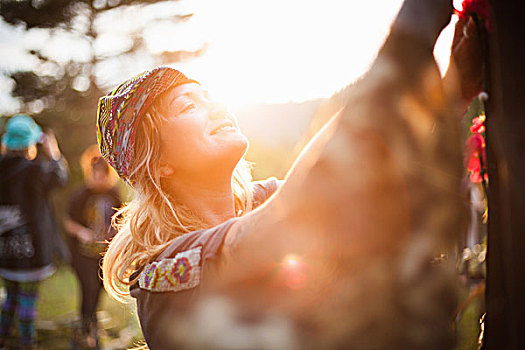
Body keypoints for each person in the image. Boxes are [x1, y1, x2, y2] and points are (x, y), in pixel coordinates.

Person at [97, 0, 482, 348]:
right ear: (159, 163)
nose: (218, 109)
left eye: (212, 97)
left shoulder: (265, 198)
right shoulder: (162, 274)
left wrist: (452, 96)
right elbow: (302, 208)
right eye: (188, 106)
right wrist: (411, 35)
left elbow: (378, 193)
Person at [0, 114, 69, 349]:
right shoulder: (35, 171)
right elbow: (61, 178)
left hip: (5, 251)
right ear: (30, 144)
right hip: (33, 252)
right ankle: (27, 344)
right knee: (28, 301)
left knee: (10, 298)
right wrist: (54, 153)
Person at [63, 145, 121, 349]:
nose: (98, 179)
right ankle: (85, 332)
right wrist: (81, 232)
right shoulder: (80, 195)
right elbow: (68, 222)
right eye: (95, 174)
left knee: (98, 291)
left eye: (102, 175)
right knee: (87, 289)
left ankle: (91, 329)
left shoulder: (114, 194)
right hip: (82, 255)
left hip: (103, 255)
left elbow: (119, 220)